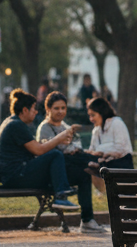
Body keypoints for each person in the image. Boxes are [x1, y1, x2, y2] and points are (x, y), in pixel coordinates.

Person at [0, 90, 79, 209]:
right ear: (25, 110)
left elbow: (33, 146)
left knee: (54, 155)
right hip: (16, 176)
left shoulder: (13, 122)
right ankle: (61, 196)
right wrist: (59, 138)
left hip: (17, 174)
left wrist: (50, 142)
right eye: (33, 108)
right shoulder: (16, 125)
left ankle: (63, 190)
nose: (36, 112)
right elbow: (38, 150)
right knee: (55, 154)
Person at [36, 91, 102, 231]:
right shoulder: (45, 128)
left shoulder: (66, 127)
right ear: (48, 109)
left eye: (63, 108)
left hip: (69, 167)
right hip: (54, 174)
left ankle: (87, 220)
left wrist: (72, 149)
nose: (60, 111)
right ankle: (99, 166)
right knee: (88, 162)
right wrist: (68, 148)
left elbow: (75, 144)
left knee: (85, 173)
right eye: (56, 108)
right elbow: (48, 152)